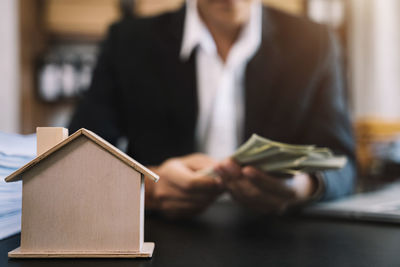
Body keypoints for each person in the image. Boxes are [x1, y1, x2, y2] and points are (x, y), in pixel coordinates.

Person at [69, 0, 356, 218]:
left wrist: (301, 187)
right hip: (160, 237)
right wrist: (149, 188)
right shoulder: (128, 42)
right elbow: (77, 157)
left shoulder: (314, 43)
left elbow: (341, 161)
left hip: (282, 237)